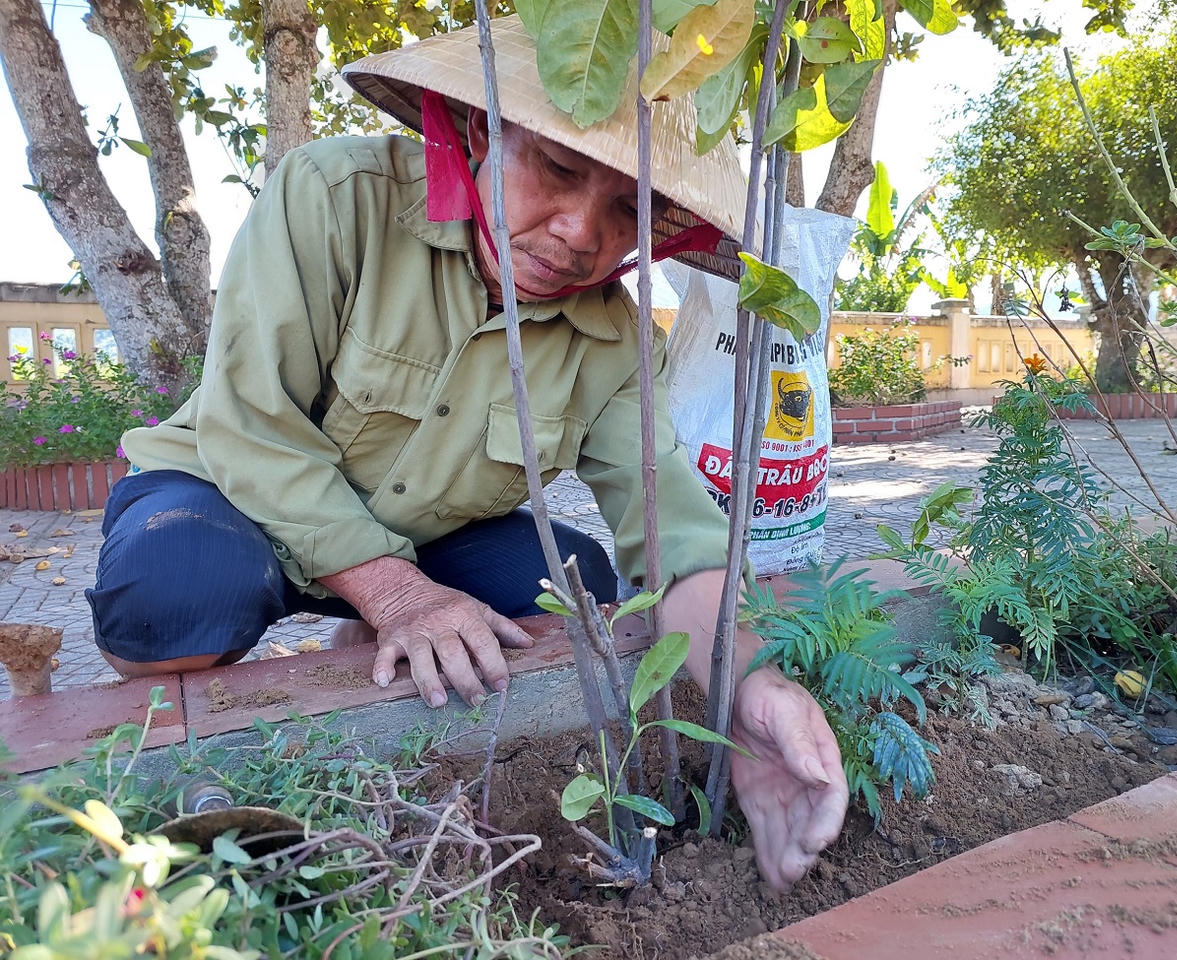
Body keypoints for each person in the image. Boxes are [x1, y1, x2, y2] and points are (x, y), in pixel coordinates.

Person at [87, 17, 849, 890]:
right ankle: (133, 757)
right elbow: (252, 423)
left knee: (582, 596)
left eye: (624, 210)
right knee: (173, 596)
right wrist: (398, 595)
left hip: (424, 530)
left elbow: (670, 523)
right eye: (559, 170)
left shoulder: (614, 335)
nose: (577, 233)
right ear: (482, 128)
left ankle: (358, 657)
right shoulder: (335, 196)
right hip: (230, 491)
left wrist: (752, 694)